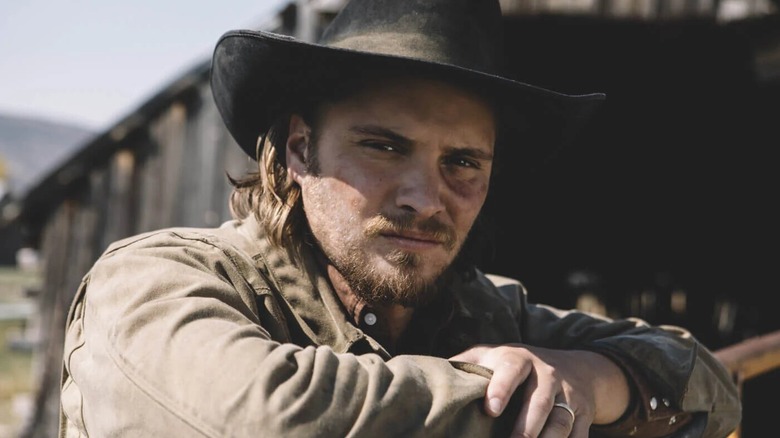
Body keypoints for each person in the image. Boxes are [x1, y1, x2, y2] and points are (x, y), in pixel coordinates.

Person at [58, 0, 741, 437]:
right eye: (384, 146)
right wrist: (518, 394)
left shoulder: (484, 313)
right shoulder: (154, 280)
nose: (424, 196)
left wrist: (595, 380)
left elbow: (709, 383)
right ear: (299, 148)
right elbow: (269, 420)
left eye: (464, 162)